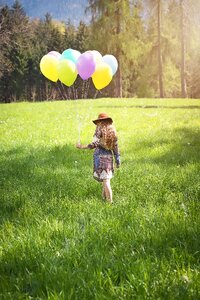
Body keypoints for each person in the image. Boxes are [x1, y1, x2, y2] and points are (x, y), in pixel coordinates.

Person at [76, 113, 120, 204]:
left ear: (100, 121)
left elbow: (94, 144)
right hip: (109, 157)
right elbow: (116, 148)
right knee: (106, 180)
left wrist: (81, 147)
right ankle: (104, 200)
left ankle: (110, 202)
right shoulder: (112, 132)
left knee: (106, 182)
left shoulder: (99, 130)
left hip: (100, 158)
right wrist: (117, 160)